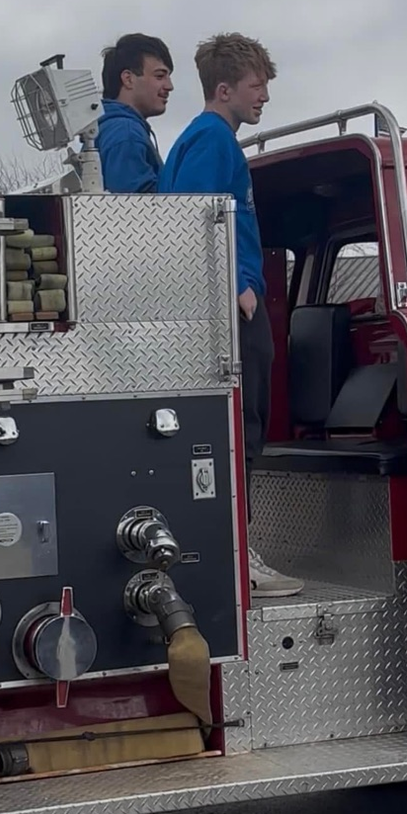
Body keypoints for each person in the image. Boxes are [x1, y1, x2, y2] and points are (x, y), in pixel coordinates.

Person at [159, 32, 304, 599]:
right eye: (255, 86)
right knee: (239, 432)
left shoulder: (203, 139)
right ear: (224, 90)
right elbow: (193, 219)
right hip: (230, 312)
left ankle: (228, 549)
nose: (263, 97)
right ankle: (237, 555)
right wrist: (239, 287)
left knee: (234, 432)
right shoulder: (212, 140)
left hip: (223, 309)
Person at [95, 33, 174, 193]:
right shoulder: (126, 133)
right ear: (128, 79)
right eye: (160, 76)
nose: (169, 86)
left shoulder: (106, 129)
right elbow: (139, 206)